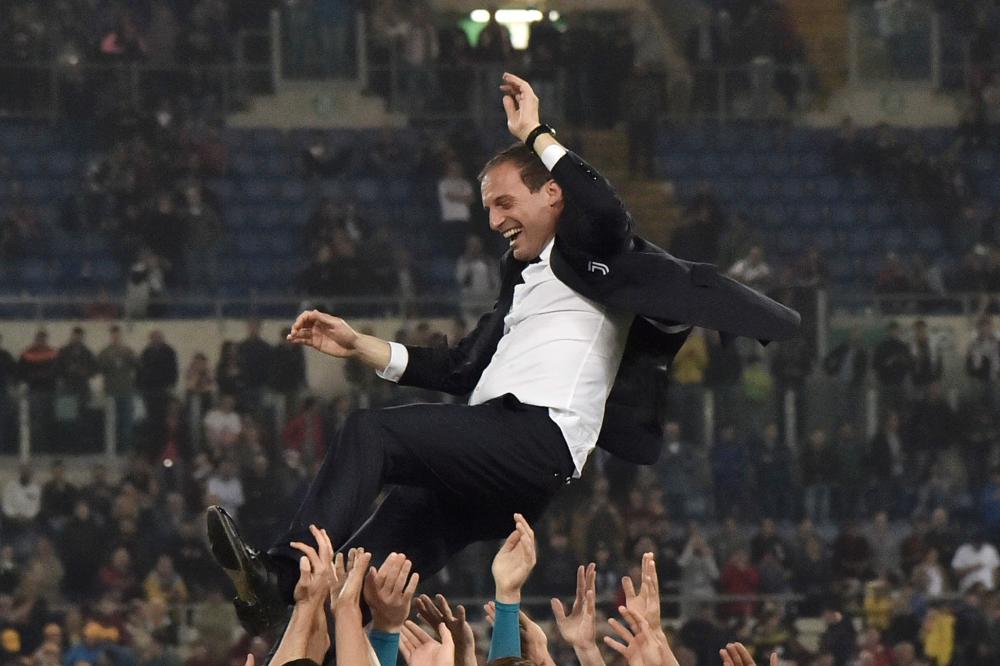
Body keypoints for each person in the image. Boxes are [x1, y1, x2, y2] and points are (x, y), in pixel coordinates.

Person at [206, 72, 799, 635]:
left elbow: (602, 208)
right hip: (490, 458)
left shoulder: (595, 250)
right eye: (487, 208)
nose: (494, 221)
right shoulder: (520, 281)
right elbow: (462, 366)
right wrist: (363, 346)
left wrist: (535, 135)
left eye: (505, 202)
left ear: (551, 193)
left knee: (369, 435)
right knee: (361, 588)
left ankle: (276, 576)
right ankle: (294, 618)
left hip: (534, 439)